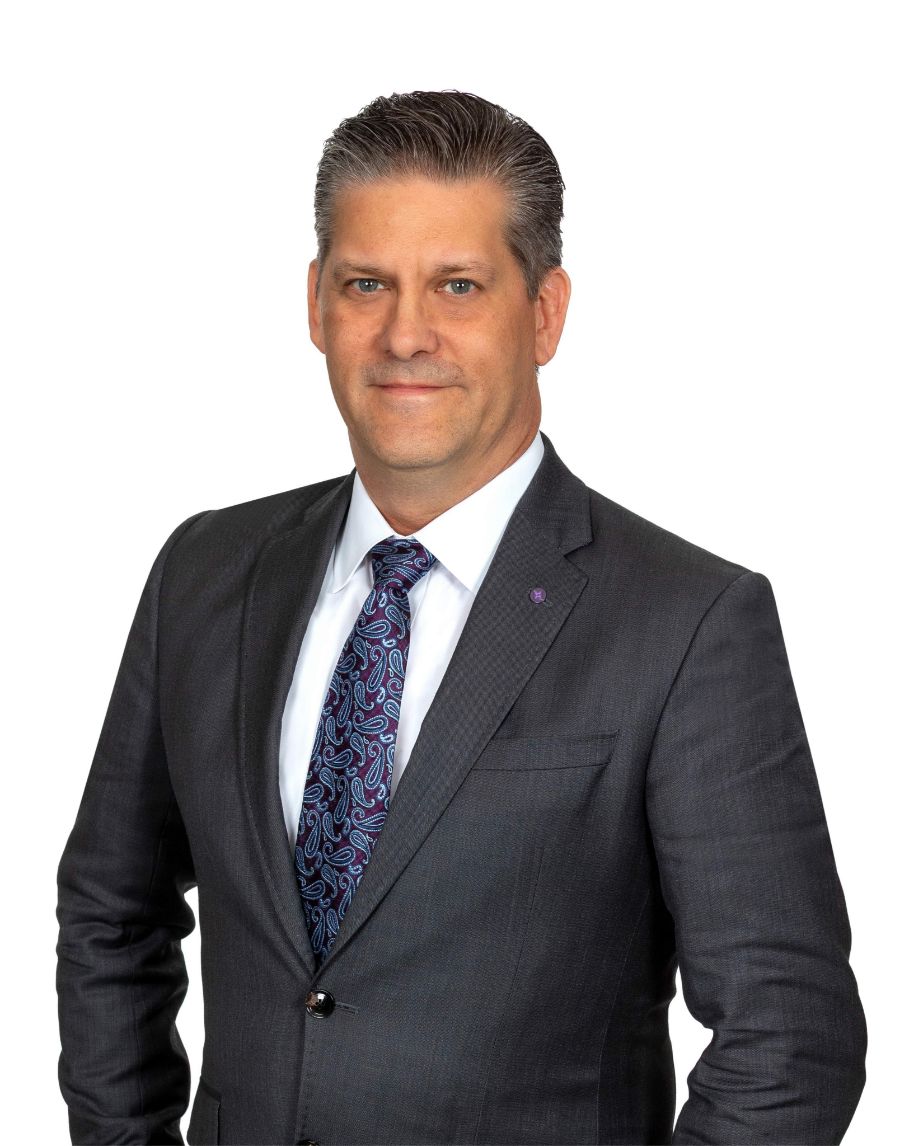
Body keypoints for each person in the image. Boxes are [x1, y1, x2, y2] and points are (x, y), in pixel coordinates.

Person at [56, 90, 866, 1146]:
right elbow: (111, 913)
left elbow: (789, 1037)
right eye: (366, 284)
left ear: (545, 313)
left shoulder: (688, 623)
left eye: (458, 285)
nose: (406, 334)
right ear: (316, 304)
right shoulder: (206, 573)